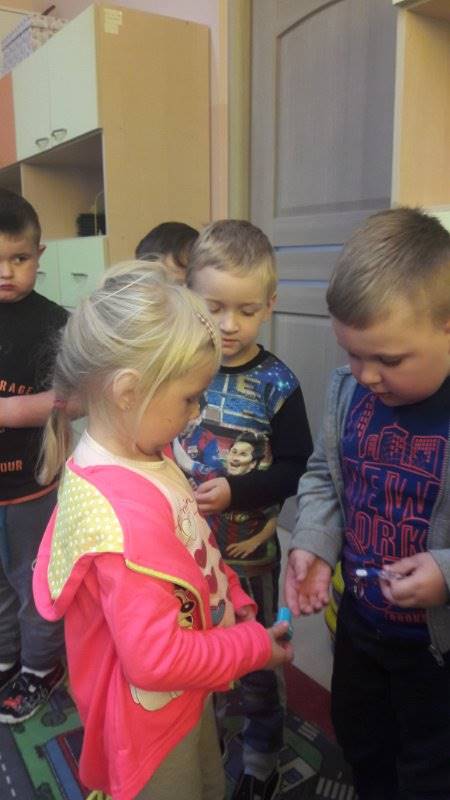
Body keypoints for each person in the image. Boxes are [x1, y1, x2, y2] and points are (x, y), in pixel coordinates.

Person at [32, 262, 294, 800]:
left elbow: (194, 543)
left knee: (208, 779)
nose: (197, 414)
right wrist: (251, 647)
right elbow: (155, 662)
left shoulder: (147, 453)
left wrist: (234, 597)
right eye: (189, 398)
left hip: (184, 698)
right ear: (129, 391)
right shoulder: (124, 521)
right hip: (150, 728)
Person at [284, 207, 450, 800]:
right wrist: (314, 541)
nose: (367, 375)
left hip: (436, 650)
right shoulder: (347, 394)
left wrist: (446, 572)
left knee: (430, 768)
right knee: (361, 738)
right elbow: (324, 479)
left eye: (389, 359)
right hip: (359, 623)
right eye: (352, 354)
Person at [175, 220, 313, 800]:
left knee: (257, 666)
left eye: (247, 310)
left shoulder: (278, 383)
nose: (229, 324)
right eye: (214, 307)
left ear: (270, 305)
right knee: (193, 661)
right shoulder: (179, 365)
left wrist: (238, 491)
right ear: (189, 297)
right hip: (182, 558)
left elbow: (297, 465)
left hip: (250, 560)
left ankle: (260, 759)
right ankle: (205, 749)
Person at [0, 188, 68, 723]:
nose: (6, 272)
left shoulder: (55, 321)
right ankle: (7, 656)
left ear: (39, 254)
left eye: (19, 258)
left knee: (35, 583)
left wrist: (7, 411)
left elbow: (78, 398)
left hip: (31, 487)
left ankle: (42, 667)